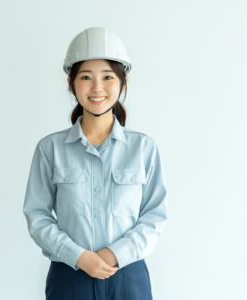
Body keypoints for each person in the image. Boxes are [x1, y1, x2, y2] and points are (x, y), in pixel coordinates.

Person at [23, 27, 168, 300]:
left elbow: (155, 216)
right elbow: (37, 215)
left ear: (123, 84)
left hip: (128, 275)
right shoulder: (49, 149)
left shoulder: (144, 148)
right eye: (86, 77)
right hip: (69, 275)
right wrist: (78, 256)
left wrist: (116, 254)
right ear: (71, 84)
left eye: (108, 77)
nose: (97, 87)